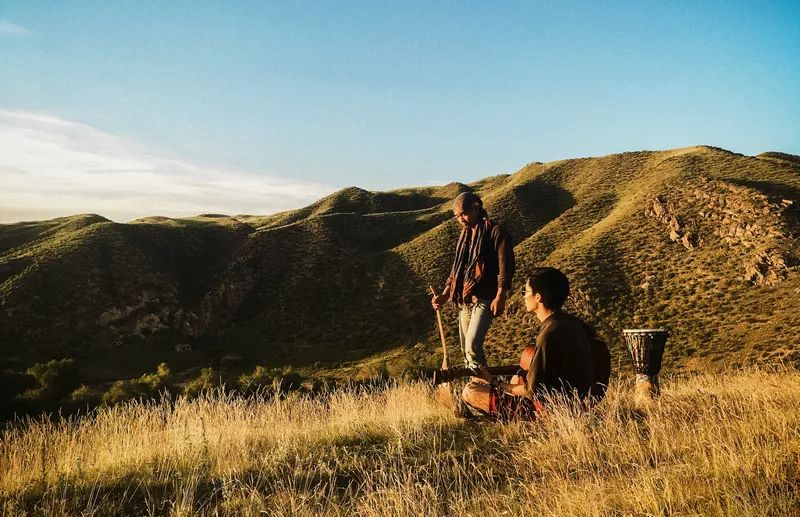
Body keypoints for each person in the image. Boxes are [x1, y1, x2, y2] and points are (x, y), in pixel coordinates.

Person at [462, 267, 595, 421]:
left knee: (471, 390)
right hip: (579, 404)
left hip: (549, 411)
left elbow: (531, 391)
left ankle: (511, 418)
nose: (523, 297)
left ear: (538, 297)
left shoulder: (549, 334)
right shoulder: (571, 322)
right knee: (513, 380)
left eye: (525, 292)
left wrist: (494, 381)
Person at [430, 192, 515, 370]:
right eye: (457, 216)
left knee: (472, 347)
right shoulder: (465, 237)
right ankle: (475, 389)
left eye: (464, 213)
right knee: (465, 350)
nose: (461, 219)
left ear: (477, 208)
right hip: (466, 300)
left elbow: (505, 266)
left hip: (486, 297)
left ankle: (486, 389)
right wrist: (446, 294)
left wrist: (501, 295)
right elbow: (457, 269)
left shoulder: (495, 231)